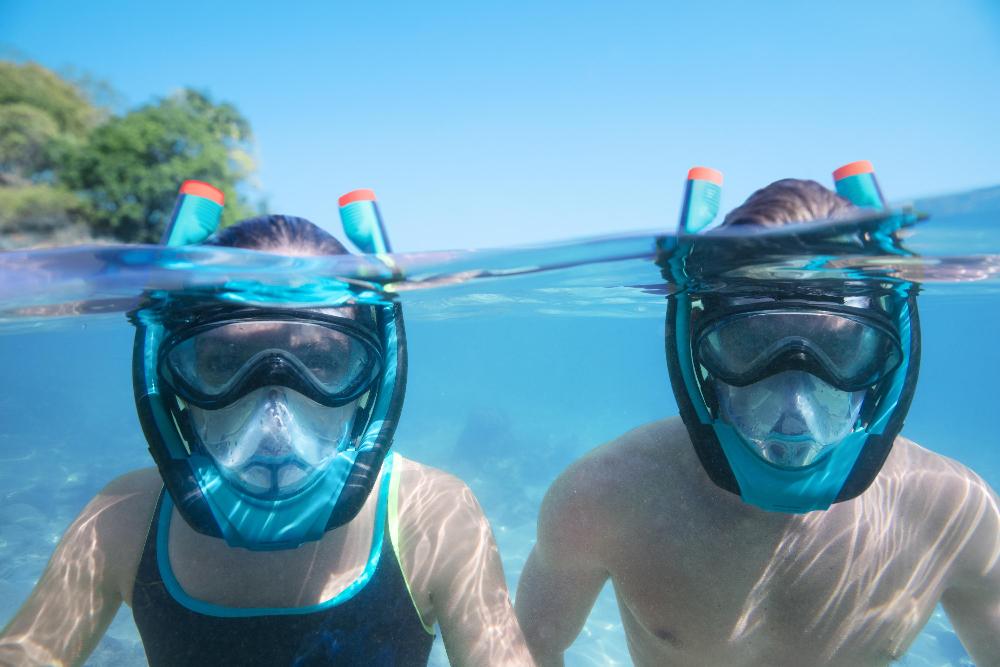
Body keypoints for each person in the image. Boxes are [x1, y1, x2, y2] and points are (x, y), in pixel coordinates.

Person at [0, 210, 533, 666]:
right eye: (224, 362)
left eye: (320, 361)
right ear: (173, 380)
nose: (274, 415)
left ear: (372, 380)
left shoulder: (432, 515)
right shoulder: (123, 519)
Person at [515, 171, 1000, 666]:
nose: (794, 405)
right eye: (749, 344)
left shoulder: (954, 514)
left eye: (839, 349)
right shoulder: (606, 497)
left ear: (882, 360)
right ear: (698, 349)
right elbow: (528, 647)